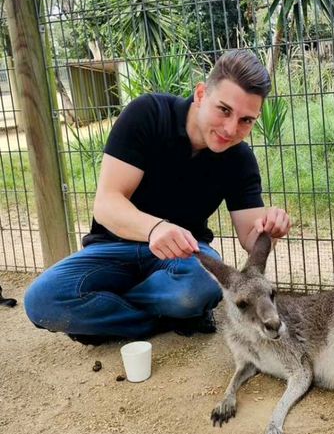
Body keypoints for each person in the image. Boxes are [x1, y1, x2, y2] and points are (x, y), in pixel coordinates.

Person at [24, 49, 290, 345]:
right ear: (201, 94)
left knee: (203, 286)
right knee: (41, 300)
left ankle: (107, 317)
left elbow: (251, 238)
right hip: (114, 249)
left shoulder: (240, 159)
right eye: (224, 110)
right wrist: (155, 228)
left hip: (181, 258)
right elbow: (106, 203)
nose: (231, 129)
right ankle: (166, 317)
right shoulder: (148, 114)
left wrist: (271, 230)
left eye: (246, 121)